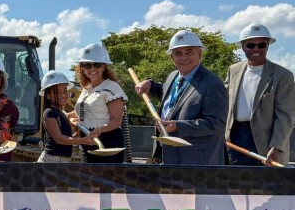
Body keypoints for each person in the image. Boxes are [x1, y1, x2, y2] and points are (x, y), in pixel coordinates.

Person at [135, 30, 228, 165]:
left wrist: (178, 127)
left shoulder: (213, 83)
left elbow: (216, 123)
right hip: (167, 157)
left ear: (200, 53)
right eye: (178, 53)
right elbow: (174, 99)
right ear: (171, 58)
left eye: (189, 52)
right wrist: (150, 84)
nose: (184, 57)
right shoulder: (172, 77)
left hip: (197, 162)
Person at [225, 23, 295, 166]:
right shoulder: (233, 70)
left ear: (268, 45)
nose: (256, 49)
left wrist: (276, 146)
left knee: (265, 187)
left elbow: (285, 115)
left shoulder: (283, 75)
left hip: (267, 143)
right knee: (237, 185)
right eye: (251, 45)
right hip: (236, 140)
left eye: (261, 45)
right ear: (243, 46)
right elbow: (224, 103)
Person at [70, 43, 129, 163]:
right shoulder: (86, 89)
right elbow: (86, 112)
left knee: (107, 180)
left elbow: (116, 120)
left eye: (96, 65)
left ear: (104, 67)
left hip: (107, 143)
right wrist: (67, 117)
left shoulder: (112, 88)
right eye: (87, 65)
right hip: (88, 142)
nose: (91, 69)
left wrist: (100, 130)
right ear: (82, 68)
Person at [38, 71, 93, 162]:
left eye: (64, 91)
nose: (63, 95)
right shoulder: (49, 113)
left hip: (63, 160)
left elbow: (66, 140)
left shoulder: (61, 113)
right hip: (51, 161)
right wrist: (83, 140)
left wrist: (77, 134)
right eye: (57, 92)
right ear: (48, 95)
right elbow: (59, 139)